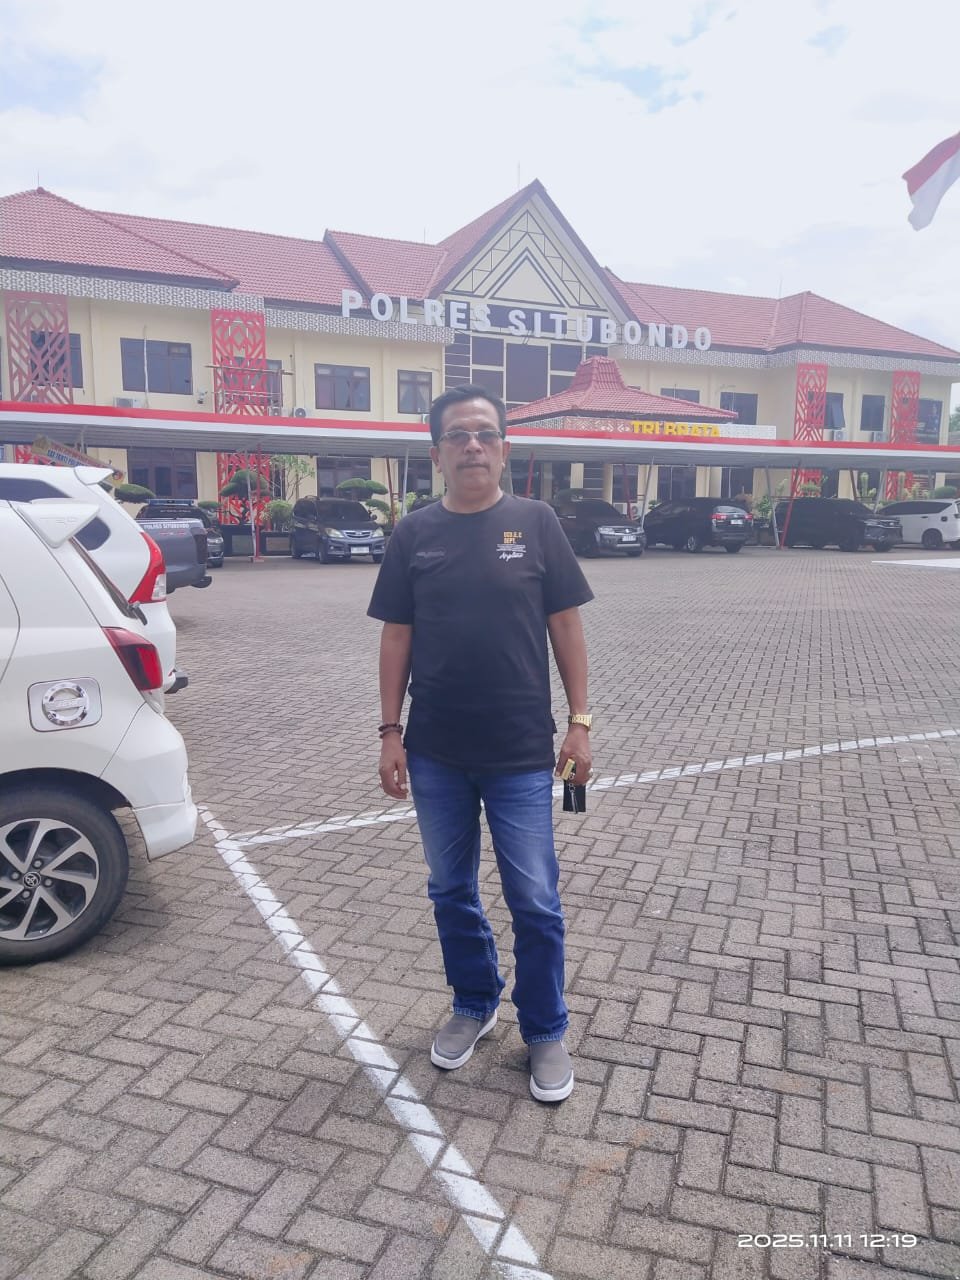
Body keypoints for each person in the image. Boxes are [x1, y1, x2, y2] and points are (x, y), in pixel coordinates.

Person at [368, 384, 594, 1102]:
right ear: (436, 453)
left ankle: (546, 1028)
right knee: (450, 889)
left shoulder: (536, 523)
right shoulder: (414, 534)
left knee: (536, 901)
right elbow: (396, 636)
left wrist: (581, 722)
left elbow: (566, 625)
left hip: (520, 750)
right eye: (458, 435)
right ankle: (474, 1001)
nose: (473, 445)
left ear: (504, 449)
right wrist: (390, 732)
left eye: (485, 434)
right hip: (435, 750)